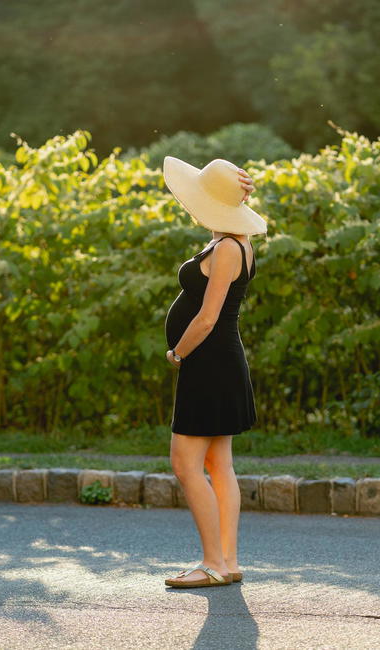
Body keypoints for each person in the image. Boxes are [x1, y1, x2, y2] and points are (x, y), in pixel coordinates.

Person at [160, 156, 266, 588]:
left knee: (185, 464)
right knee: (218, 463)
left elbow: (207, 317)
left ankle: (214, 563)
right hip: (219, 361)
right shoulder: (228, 239)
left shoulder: (227, 248)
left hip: (209, 361)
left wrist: (178, 354)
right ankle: (228, 561)